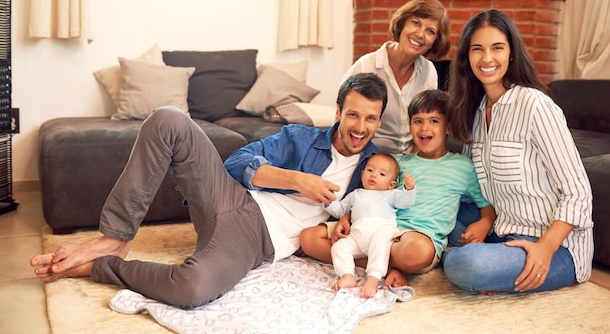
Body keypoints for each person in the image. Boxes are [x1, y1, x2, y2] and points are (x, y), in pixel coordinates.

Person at [29, 73, 388, 309]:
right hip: (229, 196)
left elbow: (390, 214)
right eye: (353, 115)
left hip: (255, 238)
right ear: (338, 111)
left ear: (379, 121)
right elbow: (236, 162)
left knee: (193, 290)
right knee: (167, 118)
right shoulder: (301, 137)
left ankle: (101, 267)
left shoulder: (377, 169)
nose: (360, 127)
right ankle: (114, 237)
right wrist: (296, 180)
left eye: (371, 118)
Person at [443, 9, 594, 294]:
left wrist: (544, 249)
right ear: (467, 58)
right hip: (501, 231)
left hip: (554, 247)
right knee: (441, 211)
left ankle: (464, 261)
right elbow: (478, 189)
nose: (487, 59)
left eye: (497, 48)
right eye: (478, 49)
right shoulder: (475, 112)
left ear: (511, 53)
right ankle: (484, 262)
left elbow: (579, 192)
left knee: (465, 265)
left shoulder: (535, 105)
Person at [300, 89, 496, 287]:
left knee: (418, 251)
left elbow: (486, 204)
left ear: (448, 127)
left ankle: (374, 265)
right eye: (418, 121)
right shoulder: (398, 163)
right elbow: (369, 197)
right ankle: (387, 268)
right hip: (374, 227)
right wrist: (345, 218)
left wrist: (485, 223)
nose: (424, 128)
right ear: (410, 126)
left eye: (434, 121)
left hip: (417, 238)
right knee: (308, 238)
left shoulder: (462, 166)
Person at [341, 0, 451, 155]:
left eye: (430, 31)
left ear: (435, 41)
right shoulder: (365, 66)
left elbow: (424, 127)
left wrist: (411, 163)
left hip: (410, 158)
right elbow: (343, 120)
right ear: (402, 24)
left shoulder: (429, 72)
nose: (420, 34)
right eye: (415, 23)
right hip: (368, 157)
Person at [324, 152, 416, 298]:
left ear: (391, 184)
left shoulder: (391, 194)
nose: (373, 175)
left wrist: (409, 189)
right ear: (362, 174)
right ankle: (347, 275)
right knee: (339, 247)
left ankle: (373, 278)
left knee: (380, 246)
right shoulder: (356, 194)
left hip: (380, 230)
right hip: (356, 235)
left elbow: (405, 202)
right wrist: (328, 202)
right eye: (370, 170)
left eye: (381, 174)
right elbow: (340, 210)